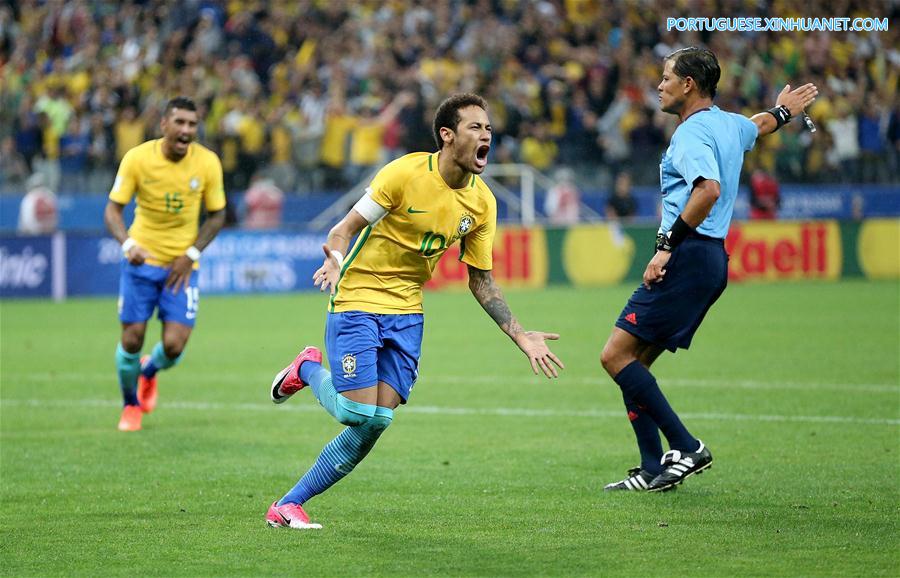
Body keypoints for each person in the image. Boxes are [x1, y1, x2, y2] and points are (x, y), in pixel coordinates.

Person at [265, 93, 564, 529]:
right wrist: (334, 256)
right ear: (447, 135)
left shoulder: (482, 203)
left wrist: (519, 334)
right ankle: (307, 368)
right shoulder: (404, 173)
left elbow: (480, 278)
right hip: (359, 295)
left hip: (408, 310)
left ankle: (288, 504)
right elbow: (345, 227)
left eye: (489, 130)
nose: (486, 136)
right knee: (355, 413)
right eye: (475, 128)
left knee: (377, 420)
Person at [599, 47, 817, 492]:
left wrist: (664, 247)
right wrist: (783, 111)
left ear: (688, 85)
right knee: (635, 363)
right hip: (711, 258)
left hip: (687, 254)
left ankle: (686, 445)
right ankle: (652, 467)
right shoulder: (728, 124)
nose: (658, 86)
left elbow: (708, 190)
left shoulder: (691, 135)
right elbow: (758, 125)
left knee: (614, 356)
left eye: (665, 78)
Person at [103, 97, 227, 432]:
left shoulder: (207, 163)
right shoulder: (138, 159)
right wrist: (128, 244)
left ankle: (149, 371)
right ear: (164, 125)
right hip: (142, 262)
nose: (187, 130)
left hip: (181, 267)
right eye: (180, 123)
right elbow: (113, 210)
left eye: (192, 124)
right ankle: (130, 405)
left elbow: (218, 216)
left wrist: (191, 255)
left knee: (173, 347)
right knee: (131, 339)